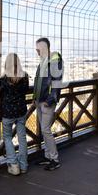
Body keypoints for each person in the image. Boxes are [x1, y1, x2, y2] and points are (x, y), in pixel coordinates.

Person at [33, 37, 64, 171]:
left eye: (38, 48)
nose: (37, 51)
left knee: (45, 130)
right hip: (40, 100)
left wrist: (49, 100)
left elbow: (57, 83)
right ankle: (48, 156)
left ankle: (54, 159)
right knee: (44, 130)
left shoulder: (54, 60)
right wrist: (35, 98)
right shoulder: (45, 61)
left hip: (46, 101)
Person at [0, 53, 29, 176]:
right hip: (21, 111)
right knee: (22, 137)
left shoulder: (3, 79)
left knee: (7, 137)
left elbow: (0, 94)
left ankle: (13, 164)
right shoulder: (25, 76)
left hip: (7, 112)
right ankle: (24, 165)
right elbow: (25, 91)